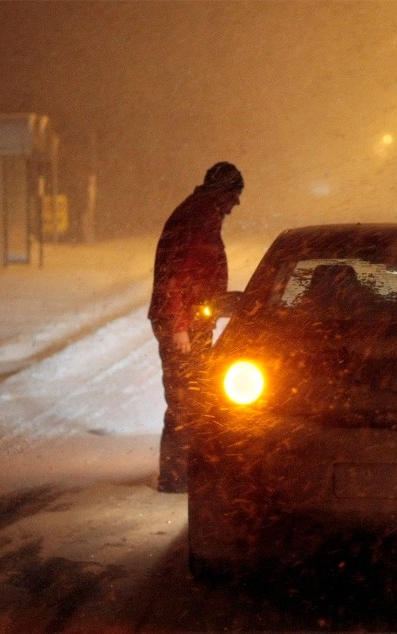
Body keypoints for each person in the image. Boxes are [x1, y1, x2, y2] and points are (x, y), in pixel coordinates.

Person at [148, 161, 244, 492]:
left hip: (191, 321)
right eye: (235, 195)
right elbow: (173, 276)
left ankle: (185, 473)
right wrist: (179, 325)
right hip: (183, 324)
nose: (237, 204)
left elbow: (198, 277)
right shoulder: (196, 218)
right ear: (224, 192)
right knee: (184, 398)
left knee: (192, 395)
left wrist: (220, 304)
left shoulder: (200, 214)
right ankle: (176, 478)